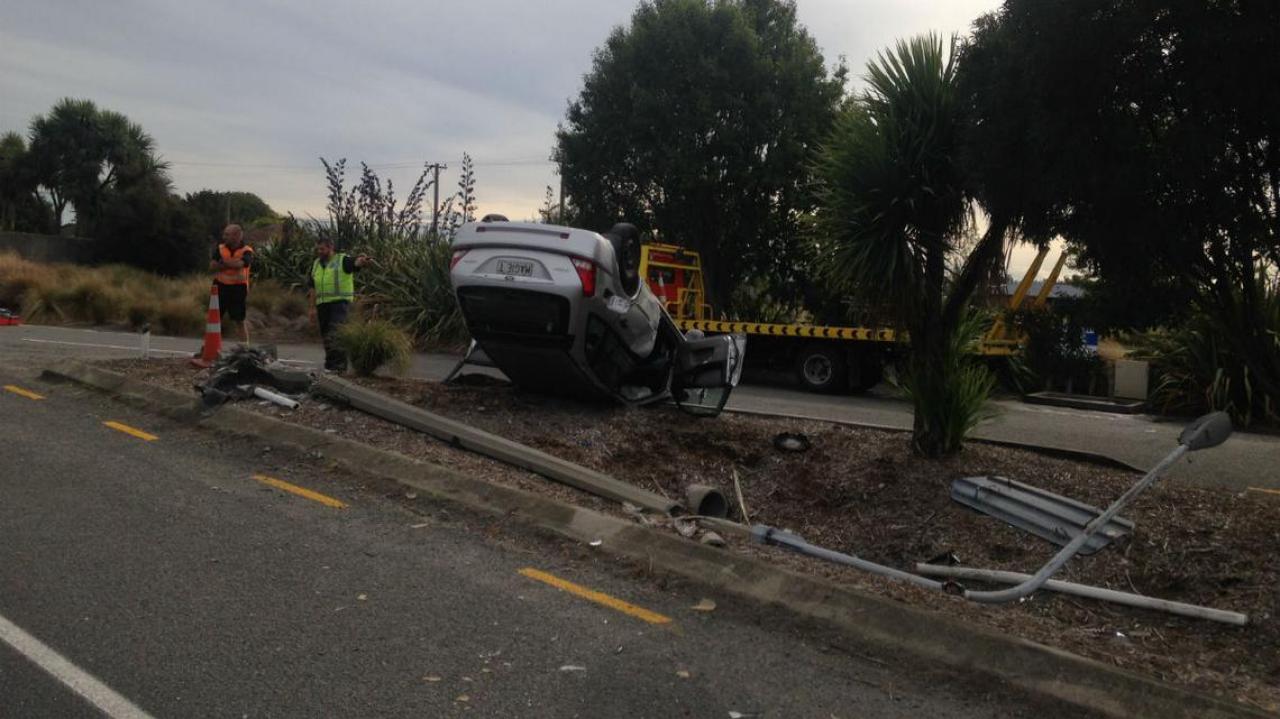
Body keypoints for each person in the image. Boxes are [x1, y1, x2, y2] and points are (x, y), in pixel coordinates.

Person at [308, 237, 371, 372]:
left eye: (322, 249)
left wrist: (361, 261)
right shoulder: (316, 264)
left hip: (340, 303)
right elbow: (312, 287)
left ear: (331, 248)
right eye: (318, 249)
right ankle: (330, 364)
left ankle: (339, 366)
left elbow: (355, 263)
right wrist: (312, 308)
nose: (319, 251)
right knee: (326, 334)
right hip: (322, 305)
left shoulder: (342, 260)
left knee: (335, 332)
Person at [210, 224, 253, 344]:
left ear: (237, 236)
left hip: (238, 288)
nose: (224, 237)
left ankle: (245, 347)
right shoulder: (220, 248)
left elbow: (242, 264)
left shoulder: (247, 251)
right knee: (214, 317)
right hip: (220, 286)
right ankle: (211, 346)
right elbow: (213, 266)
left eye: (227, 235)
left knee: (239, 319)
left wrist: (223, 264)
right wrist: (232, 264)